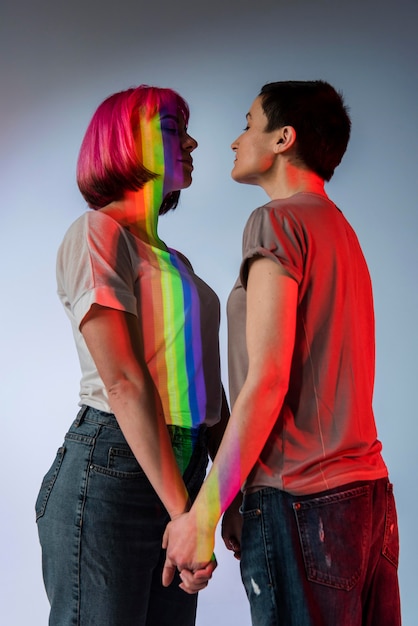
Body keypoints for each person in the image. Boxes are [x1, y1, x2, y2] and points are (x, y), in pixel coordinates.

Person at [163, 80, 401, 626]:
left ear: (282, 138)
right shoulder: (341, 230)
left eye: (248, 124)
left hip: (302, 504)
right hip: (368, 501)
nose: (234, 140)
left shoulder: (276, 222)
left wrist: (203, 514)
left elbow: (268, 379)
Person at [35, 84, 228, 626]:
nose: (191, 141)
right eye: (171, 128)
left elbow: (210, 395)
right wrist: (185, 513)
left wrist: (218, 502)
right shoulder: (98, 232)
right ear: (122, 142)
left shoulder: (176, 262)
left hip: (183, 477)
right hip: (113, 473)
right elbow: (122, 380)